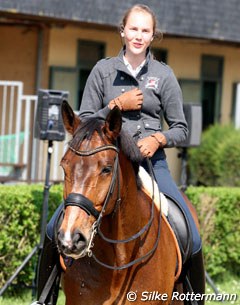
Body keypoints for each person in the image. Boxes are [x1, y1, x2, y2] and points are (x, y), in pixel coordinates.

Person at [34, 4, 205, 305]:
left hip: (152, 165)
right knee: (53, 227)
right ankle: (44, 298)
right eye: (134, 29)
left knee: (187, 226)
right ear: (123, 31)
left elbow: (181, 128)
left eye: (145, 30)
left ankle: (193, 299)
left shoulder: (164, 75)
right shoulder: (102, 70)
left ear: (153, 36)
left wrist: (159, 138)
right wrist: (117, 105)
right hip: (106, 162)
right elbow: (84, 121)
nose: (138, 35)